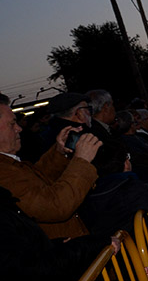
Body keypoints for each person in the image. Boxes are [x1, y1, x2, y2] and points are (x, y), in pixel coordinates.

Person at [0, 102, 102, 239]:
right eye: (12, 124)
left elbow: (38, 181)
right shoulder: (3, 172)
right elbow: (54, 206)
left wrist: (59, 153)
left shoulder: (8, 163)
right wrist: (81, 161)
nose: (19, 129)